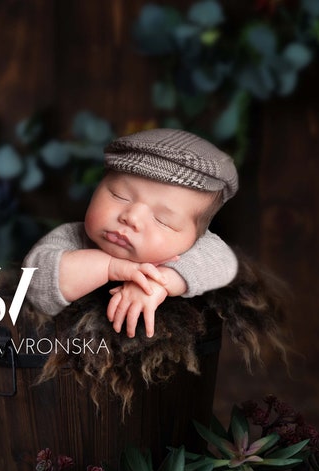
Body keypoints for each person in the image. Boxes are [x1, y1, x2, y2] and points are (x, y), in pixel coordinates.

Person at [22, 128, 238, 338]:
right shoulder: (72, 237)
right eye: (119, 196)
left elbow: (224, 261)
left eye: (162, 219)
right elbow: (34, 284)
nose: (131, 217)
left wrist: (159, 282)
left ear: (195, 238)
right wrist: (110, 267)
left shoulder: (198, 249)